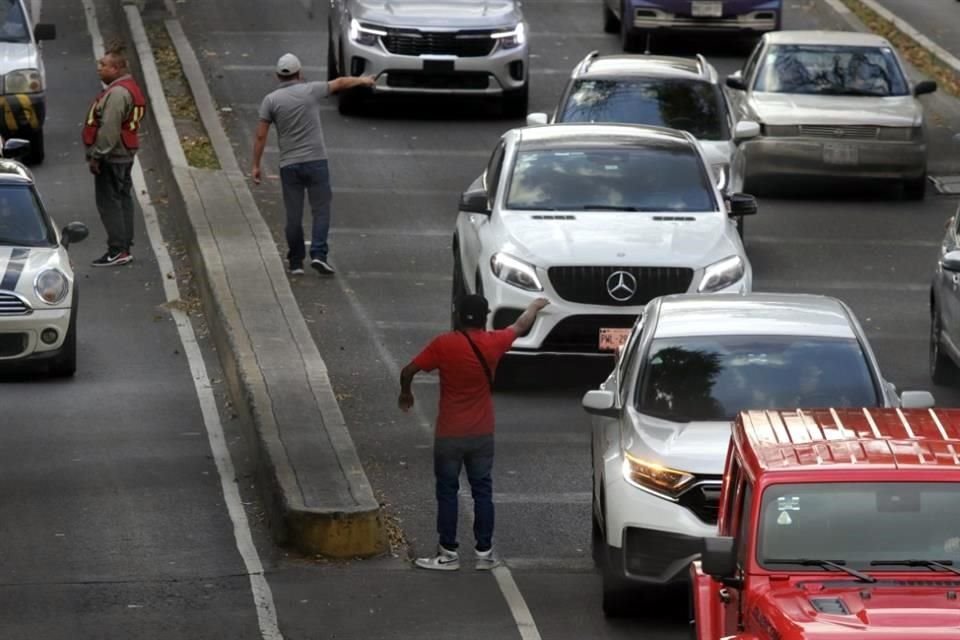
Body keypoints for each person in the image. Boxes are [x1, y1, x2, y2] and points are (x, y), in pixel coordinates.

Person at [398, 295, 550, 571]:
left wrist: (405, 393)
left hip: (449, 433)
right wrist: (536, 306)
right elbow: (520, 325)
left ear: (459, 316)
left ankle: (447, 553)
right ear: (484, 317)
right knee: (482, 491)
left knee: (447, 492)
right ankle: (485, 552)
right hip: (482, 434)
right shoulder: (493, 343)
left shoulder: (443, 344)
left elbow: (409, 370)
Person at [251, 53, 374, 276]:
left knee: (293, 215)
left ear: (278, 76)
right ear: (300, 73)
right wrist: (364, 80)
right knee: (321, 210)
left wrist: (256, 165)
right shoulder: (311, 90)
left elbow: (261, 136)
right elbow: (340, 83)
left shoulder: (270, 101)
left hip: (289, 166)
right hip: (316, 162)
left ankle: (296, 262)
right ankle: (318, 254)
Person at [83, 43, 146, 267]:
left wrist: (98, 155)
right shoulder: (129, 88)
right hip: (124, 154)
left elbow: (109, 128)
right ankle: (124, 246)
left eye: (104, 65)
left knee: (110, 202)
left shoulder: (118, 93)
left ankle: (117, 249)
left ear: (117, 68)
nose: (99, 68)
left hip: (113, 156)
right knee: (122, 199)